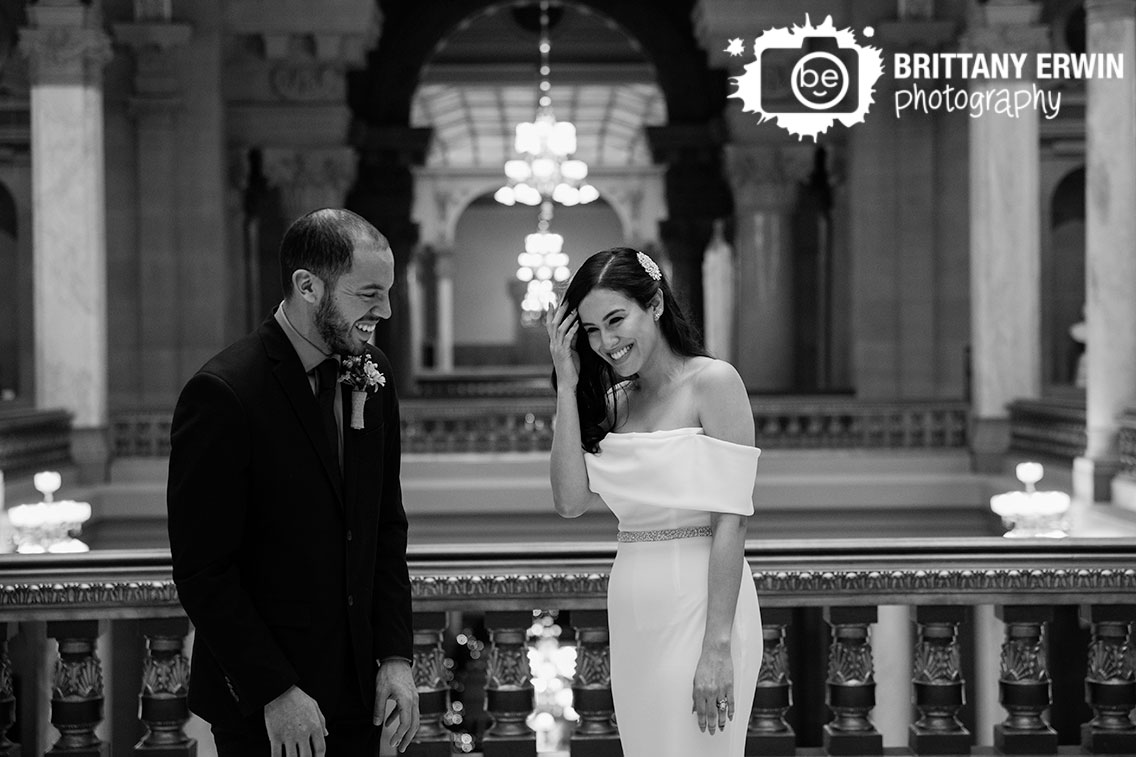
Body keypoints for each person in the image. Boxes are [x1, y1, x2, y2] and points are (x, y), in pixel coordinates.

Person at [167, 208, 419, 756]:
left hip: (363, 698)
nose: (387, 310)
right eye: (369, 293)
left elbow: (384, 524)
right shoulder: (223, 394)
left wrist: (397, 656)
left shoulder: (373, 375)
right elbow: (203, 571)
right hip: (268, 710)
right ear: (308, 285)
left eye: (389, 291)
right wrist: (275, 691)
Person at [546, 247, 761, 756]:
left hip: (702, 604)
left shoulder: (715, 383)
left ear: (656, 305)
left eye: (616, 320)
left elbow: (733, 521)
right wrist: (567, 383)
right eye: (592, 330)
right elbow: (570, 501)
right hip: (634, 607)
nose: (606, 342)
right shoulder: (614, 405)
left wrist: (716, 647)